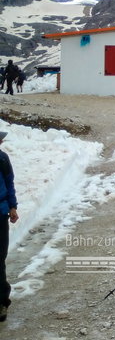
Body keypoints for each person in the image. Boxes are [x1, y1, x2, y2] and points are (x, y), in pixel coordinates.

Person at [0, 131, 18, 323]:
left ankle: (2, 301)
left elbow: (9, 183)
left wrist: (13, 206)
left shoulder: (2, 158)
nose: (2, 140)